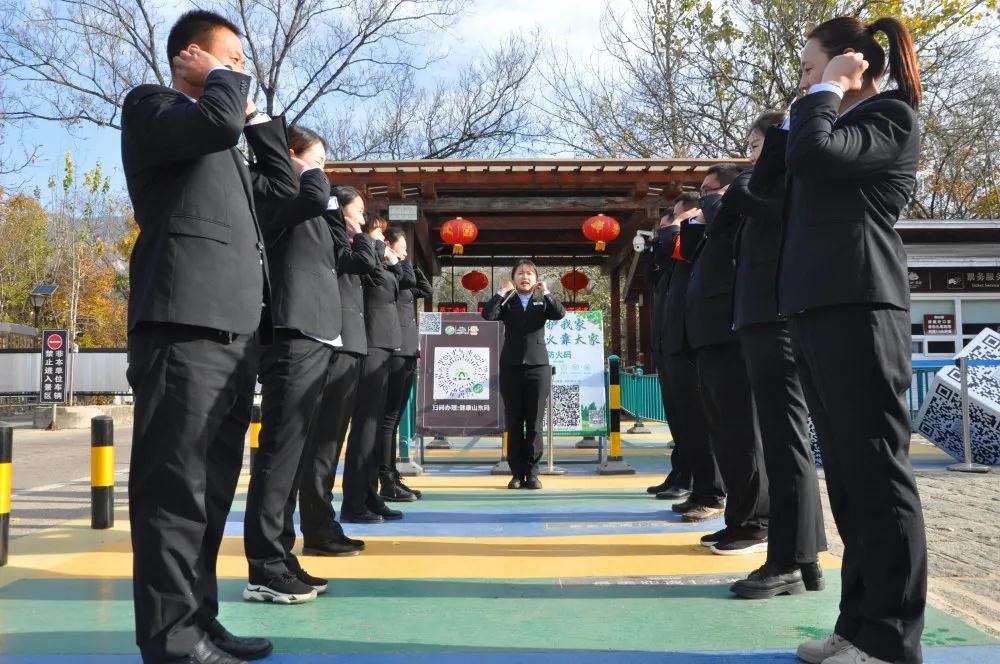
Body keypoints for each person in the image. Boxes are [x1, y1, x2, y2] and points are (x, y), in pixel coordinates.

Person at [121, 9, 297, 663]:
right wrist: (224, 85)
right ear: (192, 56)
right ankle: (172, 639)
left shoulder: (223, 139)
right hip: (183, 324)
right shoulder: (153, 107)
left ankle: (200, 620)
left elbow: (285, 191)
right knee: (174, 489)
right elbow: (218, 119)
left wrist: (259, 121)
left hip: (233, 332)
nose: (241, 71)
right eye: (231, 59)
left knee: (212, 488)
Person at [780, 16, 927, 664]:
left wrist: (828, 89)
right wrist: (818, 99)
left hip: (862, 309)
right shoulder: (838, 125)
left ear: (849, 64)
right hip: (822, 309)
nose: (804, 82)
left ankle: (891, 639)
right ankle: (859, 625)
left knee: (877, 474)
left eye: (811, 68)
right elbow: (790, 173)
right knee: (846, 477)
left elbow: (813, 155)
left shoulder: (889, 117)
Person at [714, 112, 827, 597]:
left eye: (756, 146)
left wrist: (751, 182)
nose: (750, 157)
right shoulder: (765, 187)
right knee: (784, 440)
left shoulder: (788, 181)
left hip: (777, 319)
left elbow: (757, 206)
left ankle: (790, 559)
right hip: (761, 320)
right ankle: (803, 557)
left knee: (786, 441)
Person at [242, 125, 337, 605]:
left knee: (293, 454)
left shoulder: (305, 196)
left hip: (315, 330)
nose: (324, 172)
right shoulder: (272, 185)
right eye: (318, 160)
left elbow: (337, 238)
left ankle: (281, 554)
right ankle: (264, 565)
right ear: (292, 154)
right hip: (291, 329)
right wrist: (305, 170)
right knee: (279, 454)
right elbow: (314, 195)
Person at [685, 163, 770, 555]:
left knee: (743, 434)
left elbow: (727, 227)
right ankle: (737, 519)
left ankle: (756, 523)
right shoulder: (712, 225)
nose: (701, 198)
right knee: (724, 436)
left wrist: (717, 202)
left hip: (731, 337)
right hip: (708, 339)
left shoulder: (740, 213)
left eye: (709, 189)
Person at [298, 186, 381, 553]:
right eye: (358, 211)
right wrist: (360, 235)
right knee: (323, 442)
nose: (363, 219)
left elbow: (374, 270)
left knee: (331, 443)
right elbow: (364, 261)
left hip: (352, 347)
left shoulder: (344, 243)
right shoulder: (329, 238)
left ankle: (323, 522)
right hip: (336, 345)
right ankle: (318, 525)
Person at [661, 193, 727, 522]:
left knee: (704, 425)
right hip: (678, 342)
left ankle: (714, 493)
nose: (674, 222)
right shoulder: (687, 241)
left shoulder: (713, 232)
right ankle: (701, 490)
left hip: (699, 342)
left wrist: (681, 224)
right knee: (688, 426)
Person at [340, 216, 407, 523]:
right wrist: (372, 244)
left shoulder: (380, 265)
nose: (383, 241)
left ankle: (369, 494)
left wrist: (391, 259)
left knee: (374, 426)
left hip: (383, 347)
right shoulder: (365, 263)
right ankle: (355, 500)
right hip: (370, 346)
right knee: (365, 429)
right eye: (378, 235)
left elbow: (403, 282)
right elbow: (386, 284)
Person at [482, 259, 566, 489]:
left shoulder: (542, 300)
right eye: (520, 273)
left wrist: (546, 292)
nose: (525, 277)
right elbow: (488, 315)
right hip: (511, 366)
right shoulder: (507, 300)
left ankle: (533, 472)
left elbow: (559, 314)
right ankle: (517, 474)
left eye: (529, 273)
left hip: (538, 367)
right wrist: (501, 292)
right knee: (514, 421)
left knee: (535, 422)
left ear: (536, 278)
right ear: (513, 278)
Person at [376, 228, 433, 502]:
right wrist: (397, 262)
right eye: (403, 248)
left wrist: (407, 263)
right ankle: (385, 478)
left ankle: (393, 475)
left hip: (409, 351)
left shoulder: (402, 273)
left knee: (395, 418)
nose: (406, 253)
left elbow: (426, 288)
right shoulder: (387, 274)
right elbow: (406, 279)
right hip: (395, 350)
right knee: (388, 419)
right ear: (388, 245)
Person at [644, 211, 693, 500]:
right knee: (676, 419)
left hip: (685, 347)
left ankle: (692, 478)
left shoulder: (691, 251)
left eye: (669, 227)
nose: (663, 234)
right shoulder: (667, 267)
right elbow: (651, 277)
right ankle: (679, 472)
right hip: (665, 347)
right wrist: (651, 251)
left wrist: (676, 231)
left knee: (690, 419)